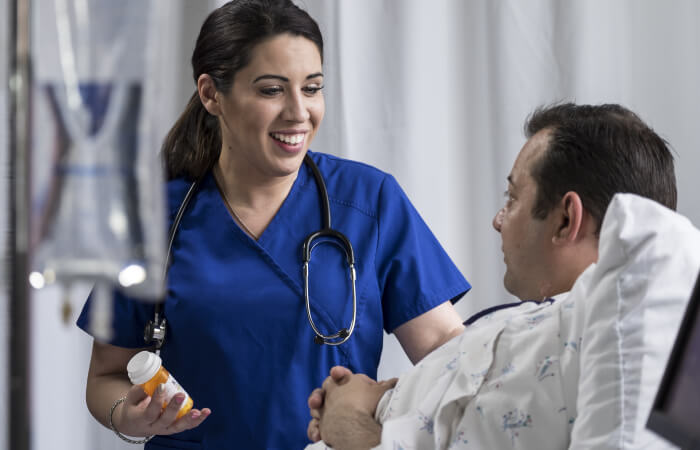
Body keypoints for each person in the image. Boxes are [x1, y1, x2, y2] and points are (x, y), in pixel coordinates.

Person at [76, 0, 471, 448]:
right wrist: (127, 415)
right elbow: (106, 375)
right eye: (271, 90)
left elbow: (447, 354)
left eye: (312, 88)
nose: (299, 112)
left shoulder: (369, 201)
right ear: (211, 94)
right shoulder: (150, 220)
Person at [306, 102, 679, 449]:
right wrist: (382, 398)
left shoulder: (607, 343)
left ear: (566, 220)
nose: (498, 220)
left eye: (513, 198)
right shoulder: (542, 332)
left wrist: (350, 425)